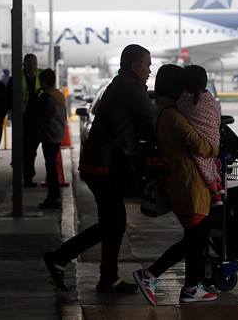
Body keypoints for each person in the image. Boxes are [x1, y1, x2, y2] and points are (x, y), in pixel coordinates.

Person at [43, 44, 154, 293]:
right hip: (103, 164)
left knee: (114, 222)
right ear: (134, 66)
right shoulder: (128, 86)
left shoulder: (123, 84)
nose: (149, 69)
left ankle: (108, 278)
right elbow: (151, 120)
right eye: (147, 64)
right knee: (113, 223)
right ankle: (60, 257)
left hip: (101, 163)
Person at [133, 64, 219, 306]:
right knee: (195, 238)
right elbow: (204, 147)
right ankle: (150, 274)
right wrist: (213, 144)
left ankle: (191, 287)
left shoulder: (162, 110)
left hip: (181, 178)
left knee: (196, 236)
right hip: (188, 181)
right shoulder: (173, 116)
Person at [176, 65, 224, 207]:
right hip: (214, 139)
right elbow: (218, 119)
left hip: (203, 143)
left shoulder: (182, 102)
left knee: (200, 161)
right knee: (209, 161)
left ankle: (213, 190)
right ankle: (218, 185)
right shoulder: (210, 99)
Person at [33, 68, 67, 208]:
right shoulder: (59, 95)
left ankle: (53, 196)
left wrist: (35, 95)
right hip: (58, 134)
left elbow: (33, 111)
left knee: (51, 167)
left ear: (44, 81)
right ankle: (54, 195)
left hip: (49, 136)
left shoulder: (45, 97)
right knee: (52, 165)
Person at [6, 54, 42, 187]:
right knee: (22, 149)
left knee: (32, 150)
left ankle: (28, 177)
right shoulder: (16, 78)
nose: (31, 66)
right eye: (29, 63)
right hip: (21, 119)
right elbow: (8, 98)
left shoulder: (41, 76)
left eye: (34, 63)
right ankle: (22, 176)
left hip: (36, 120)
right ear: (23, 64)